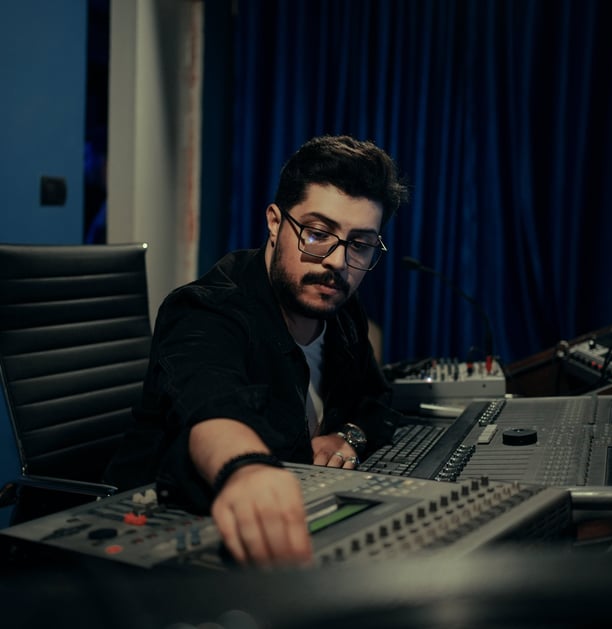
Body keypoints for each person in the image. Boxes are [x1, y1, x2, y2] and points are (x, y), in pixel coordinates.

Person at [104, 134, 409, 567]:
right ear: (275, 222)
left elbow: (375, 401)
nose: (337, 262)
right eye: (317, 234)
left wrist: (348, 436)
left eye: (359, 244)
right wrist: (246, 469)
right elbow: (213, 410)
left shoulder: (342, 310)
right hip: (154, 551)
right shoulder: (205, 310)